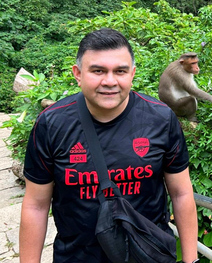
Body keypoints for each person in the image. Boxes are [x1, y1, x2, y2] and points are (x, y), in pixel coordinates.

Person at [19, 28, 199, 263]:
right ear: (78, 74)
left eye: (120, 71)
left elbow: (182, 193)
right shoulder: (52, 124)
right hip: (78, 256)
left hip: (148, 254)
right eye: (98, 71)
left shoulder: (160, 118)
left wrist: (191, 260)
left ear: (132, 74)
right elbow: (35, 205)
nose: (110, 81)